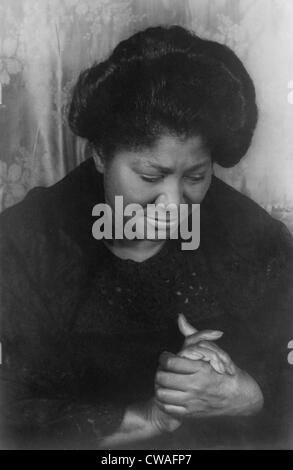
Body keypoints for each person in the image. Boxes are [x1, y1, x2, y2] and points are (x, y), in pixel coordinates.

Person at [0, 25, 292, 450]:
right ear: (100, 154)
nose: (173, 206)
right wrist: (152, 416)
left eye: (196, 176)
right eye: (150, 176)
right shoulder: (26, 243)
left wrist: (247, 393)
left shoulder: (246, 232)